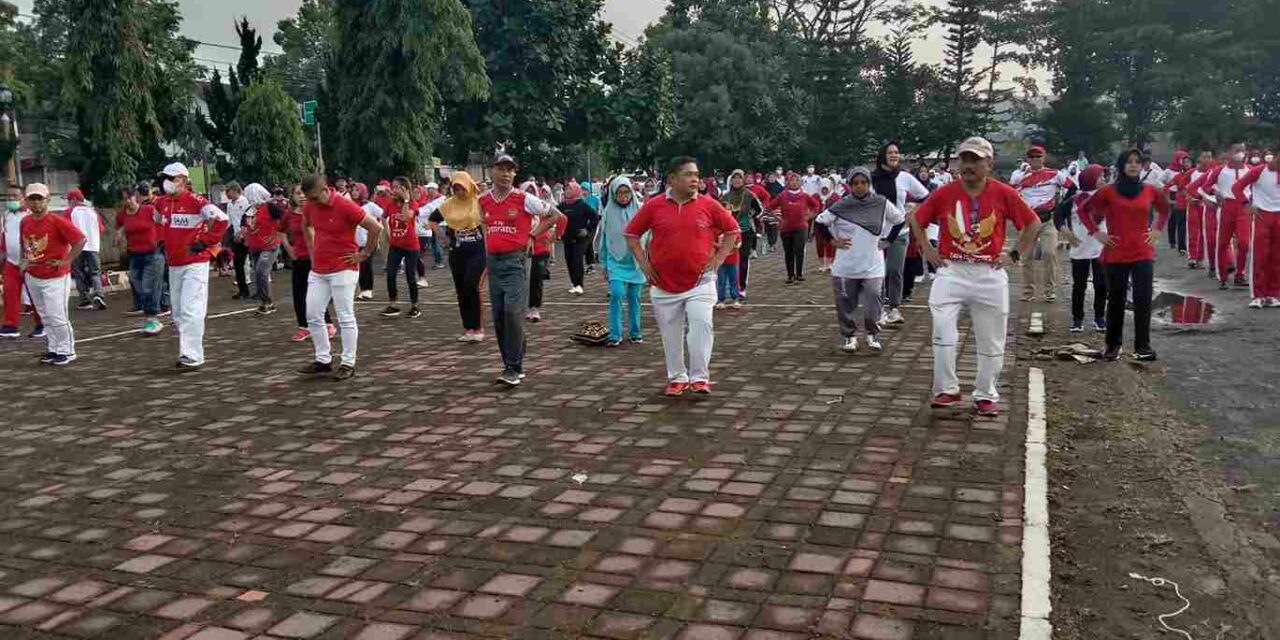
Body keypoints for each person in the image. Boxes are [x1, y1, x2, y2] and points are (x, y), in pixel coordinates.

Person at [909, 136, 1041, 417]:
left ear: (989, 163)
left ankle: (985, 395)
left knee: (991, 338)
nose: (968, 165)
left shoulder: (1004, 193)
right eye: (964, 159)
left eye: (975, 160)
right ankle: (947, 390)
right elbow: (916, 219)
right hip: (951, 271)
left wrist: (1015, 255)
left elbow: (1032, 224)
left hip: (988, 273)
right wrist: (927, 249)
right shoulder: (944, 192)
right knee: (942, 332)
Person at [626, 156, 740, 396]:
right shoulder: (654, 205)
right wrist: (644, 266)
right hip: (662, 284)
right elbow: (632, 234)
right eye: (688, 174)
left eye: (696, 174)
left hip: (701, 281)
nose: (694, 179)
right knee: (670, 333)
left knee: (702, 325)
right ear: (671, 179)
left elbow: (732, 230)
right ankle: (677, 377)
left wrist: (717, 261)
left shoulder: (709, 205)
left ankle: (700, 377)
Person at [480, 153, 564, 386]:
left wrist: (532, 234)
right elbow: (481, 224)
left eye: (510, 169)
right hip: (493, 262)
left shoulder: (523, 198)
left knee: (512, 313)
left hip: (515, 262)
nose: (506, 173)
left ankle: (513, 368)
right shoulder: (483, 200)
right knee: (498, 316)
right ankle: (512, 358)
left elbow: (555, 216)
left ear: (515, 174)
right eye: (501, 168)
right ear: (492, 171)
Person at [1079, 150, 1170, 361]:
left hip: (1143, 252)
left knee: (1143, 300)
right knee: (1116, 301)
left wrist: (1157, 229)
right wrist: (1096, 233)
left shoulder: (1150, 190)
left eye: (1137, 162)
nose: (1133, 166)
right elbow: (1084, 210)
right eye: (1129, 162)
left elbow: (1165, 209)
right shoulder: (1108, 192)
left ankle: (1143, 347)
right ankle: (1112, 346)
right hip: (1116, 253)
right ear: (1121, 166)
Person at [293, 175, 383, 379]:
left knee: (345, 316)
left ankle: (348, 363)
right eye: (309, 199)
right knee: (313, 314)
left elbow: (375, 227)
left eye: (315, 198)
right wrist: (312, 248)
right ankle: (323, 360)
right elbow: (305, 224)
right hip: (319, 269)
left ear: (326, 189)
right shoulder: (310, 205)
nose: (312, 202)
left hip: (344, 267)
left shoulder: (344, 205)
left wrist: (365, 253)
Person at [818, 167, 905, 353]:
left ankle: (872, 334)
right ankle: (849, 336)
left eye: (863, 183)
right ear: (850, 185)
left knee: (874, 298)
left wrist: (889, 240)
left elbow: (899, 220)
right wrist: (833, 241)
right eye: (855, 183)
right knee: (845, 303)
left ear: (869, 184)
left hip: (873, 263)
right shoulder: (841, 205)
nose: (859, 187)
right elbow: (820, 222)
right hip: (846, 266)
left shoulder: (881, 203)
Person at [154, 162, 230, 369]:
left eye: (170, 178)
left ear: (183, 180)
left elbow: (222, 219)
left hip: (195, 263)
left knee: (191, 309)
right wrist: (161, 240)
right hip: (175, 264)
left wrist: (205, 241)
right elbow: (157, 221)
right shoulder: (161, 202)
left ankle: (192, 354)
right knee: (177, 312)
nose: (166, 183)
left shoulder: (197, 201)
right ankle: (187, 351)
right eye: (165, 179)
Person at [18, 183, 86, 365]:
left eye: (39, 198)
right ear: (26, 201)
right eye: (32, 199)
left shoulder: (57, 221)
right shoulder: (25, 221)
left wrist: (66, 260)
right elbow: (23, 244)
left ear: (47, 199)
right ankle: (53, 348)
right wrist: (23, 260)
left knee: (57, 315)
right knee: (44, 315)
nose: (36, 203)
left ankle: (67, 350)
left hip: (56, 276)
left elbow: (80, 239)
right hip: (33, 274)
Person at [872, 142, 931, 324]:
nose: (894, 155)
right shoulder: (872, 178)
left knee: (895, 270)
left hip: (899, 232)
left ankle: (894, 308)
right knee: (878, 271)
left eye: (896, 152)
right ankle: (878, 308)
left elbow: (926, 196)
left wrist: (912, 211)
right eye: (890, 152)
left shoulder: (904, 177)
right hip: (876, 232)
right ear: (883, 155)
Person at [1010, 145, 1074, 303]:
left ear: (1043, 158)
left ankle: (1050, 291)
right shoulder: (1019, 177)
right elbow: (1010, 197)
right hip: (1029, 222)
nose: (1035, 159)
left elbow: (1073, 187)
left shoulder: (1055, 174)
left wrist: (1062, 207)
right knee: (1026, 257)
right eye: (1032, 157)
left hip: (1048, 221)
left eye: (1038, 156)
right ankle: (1027, 292)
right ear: (1027, 159)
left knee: (1049, 253)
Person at [428, 171, 487, 343]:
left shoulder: (480, 202)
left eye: (462, 188)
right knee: (461, 289)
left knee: (472, 285)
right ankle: (468, 327)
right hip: (457, 252)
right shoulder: (448, 204)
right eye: (456, 189)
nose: (460, 192)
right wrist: (444, 238)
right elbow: (432, 221)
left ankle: (478, 327)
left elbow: (489, 221)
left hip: (477, 252)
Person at [277, 185, 335, 342]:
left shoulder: (317, 211)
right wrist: (289, 249)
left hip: (317, 259)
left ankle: (327, 322)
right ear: (292, 196)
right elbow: (280, 232)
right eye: (297, 193)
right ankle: (304, 327)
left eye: (304, 192)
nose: (301, 196)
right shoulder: (289, 214)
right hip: (299, 259)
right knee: (299, 294)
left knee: (318, 294)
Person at [1057, 164, 1109, 332]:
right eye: (1100, 176)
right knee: (1079, 286)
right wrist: (1067, 233)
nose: (1103, 180)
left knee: (1101, 285)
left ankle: (1100, 318)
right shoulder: (1074, 200)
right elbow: (1058, 216)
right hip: (1080, 249)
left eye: (1103, 176)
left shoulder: (1107, 198)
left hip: (1101, 248)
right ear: (1090, 179)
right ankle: (1077, 319)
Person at [597, 175, 646, 345]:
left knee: (634, 297)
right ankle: (615, 335)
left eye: (627, 193)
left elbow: (647, 235)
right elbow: (603, 239)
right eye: (620, 193)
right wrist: (604, 263)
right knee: (616, 294)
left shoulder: (640, 209)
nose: (624, 197)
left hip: (636, 261)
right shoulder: (608, 213)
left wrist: (647, 259)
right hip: (615, 260)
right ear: (613, 194)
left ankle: (635, 332)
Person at [116, 183, 166, 335]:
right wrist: (119, 236)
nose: (129, 201)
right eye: (125, 199)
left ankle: (153, 319)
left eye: (130, 197)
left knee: (148, 287)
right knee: (138, 287)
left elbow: (163, 221)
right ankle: (154, 310)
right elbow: (120, 228)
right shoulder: (122, 215)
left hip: (152, 253)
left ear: (135, 197)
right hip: (134, 255)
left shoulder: (149, 210)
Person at [1231, 152, 1280, 308]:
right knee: (1260, 256)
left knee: (1276, 257)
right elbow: (1237, 187)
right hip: (1262, 216)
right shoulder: (1259, 171)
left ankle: (1273, 294)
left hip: (1278, 216)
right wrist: (1246, 204)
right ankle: (1258, 295)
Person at [1201, 143, 1250, 289]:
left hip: (1243, 208)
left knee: (1244, 243)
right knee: (1223, 243)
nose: (1240, 153)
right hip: (1226, 208)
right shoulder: (1219, 171)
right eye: (1236, 150)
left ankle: (1240, 274)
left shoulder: (1250, 170)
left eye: (1242, 150)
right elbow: (1205, 187)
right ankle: (1222, 277)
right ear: (1229, 152)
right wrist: (1215, 193)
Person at [1, 184, 42, 339]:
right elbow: (5, 238)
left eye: (15, 196)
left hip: (30, 261)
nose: (11, 199)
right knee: (10, 293)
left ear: (23, 198)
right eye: (8, 196)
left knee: (35, 295)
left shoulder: (32, 215)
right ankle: (10, 325)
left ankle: (41, 324)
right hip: (11, 261)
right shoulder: (7, 215)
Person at [767, 172, 821, 283]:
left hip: (801, 227)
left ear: (801, 182)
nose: (794, 182)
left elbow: (816, 206)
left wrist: (809, 216)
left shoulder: (805, 196)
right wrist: (778, 219)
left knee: (799, 250)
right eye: (792, 180)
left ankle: (799, 274)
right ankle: (790, 275)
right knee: (788, 252)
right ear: (787, 182)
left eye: (797, 180)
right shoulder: (782, 195)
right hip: (786, 228)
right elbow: (769, 207)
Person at [382, 176, 424, 319]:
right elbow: (383, 217)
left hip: (411, 246)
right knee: (391, 274)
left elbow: (406, 217)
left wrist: (406, 200)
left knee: (410, 276)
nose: (393, 190)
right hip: (395, 245)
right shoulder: (390, 204)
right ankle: (393, 304)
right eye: (392, 187)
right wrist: (387, 231)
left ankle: (415, 306)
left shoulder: (413, 203)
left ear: (404, 188)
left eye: (396, 187)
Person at [523, 180, 564, 323]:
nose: (529, 194)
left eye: (532, 191)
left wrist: (555, 237)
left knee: (536, 279)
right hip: (521, 250)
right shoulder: (518, 210)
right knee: (521, 280)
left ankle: (534, 308)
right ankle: (520, 307)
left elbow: (562, 219)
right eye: (526, 191)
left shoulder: (543, 208)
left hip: (541, 249)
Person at [241, 183, 280, 316]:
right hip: (255, 246)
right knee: (259, 273)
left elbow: (285, 219)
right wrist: (244, 236)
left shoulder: (270, 207)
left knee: (261, 271)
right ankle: (267, 302)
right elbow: (244, 225)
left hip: (270, 246)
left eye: (252, 197)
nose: (251, 200)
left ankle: (266, 302)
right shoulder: (249, 210)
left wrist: (276, 234)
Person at [722, 170, 763, 295]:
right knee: (727, 260)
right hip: (729, 233)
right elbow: (719, 213)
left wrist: (750, 215)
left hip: (745, 231)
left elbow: (759, 210)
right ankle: (727, 288)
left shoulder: (749, 195)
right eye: (734, 178)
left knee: (743, 258)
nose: (737, 181)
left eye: (739, 178)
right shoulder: (725, 197)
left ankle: (741, 288)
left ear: (743, 180)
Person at [66, 189, 106, 311]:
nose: (68, 203)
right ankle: (98, 294)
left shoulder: (70, 212)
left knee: (79, 273)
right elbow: (101, 229)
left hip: (77, 246)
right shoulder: (93, 212)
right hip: (93, 245)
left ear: (74, 199)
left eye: (68, 200)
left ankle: (84, 300)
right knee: (95, 272)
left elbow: (66, 229)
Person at [560, 180, 598, 295]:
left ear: (576, 191)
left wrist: (587, 229)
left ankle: (579, 284)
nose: (567, 191)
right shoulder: (562, 205)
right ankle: (574, 284)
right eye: (566, 189)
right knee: (569, 261)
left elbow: (595, 217)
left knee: (577, 260)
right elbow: (553, 216)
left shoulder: (582, 205)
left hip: (580, 238)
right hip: (567, 238)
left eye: (569, 189)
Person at [1185, 151, 1218, 272]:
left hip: (1206, 205)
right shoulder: (1192, 173)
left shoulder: (1214, 172)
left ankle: (1201, 258)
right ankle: (1192, 257)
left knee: (1205, 233)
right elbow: (1183, 186)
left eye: (1209, 157)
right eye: (1204, 157)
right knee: (1194, 231)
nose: (1207, 160)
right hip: (1193, 205)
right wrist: (1189, 197)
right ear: (1199, 158)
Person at [352, 183, 383, 300]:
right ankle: (362, 289)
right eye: (353, 190)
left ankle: (368, 289)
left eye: (357, 190)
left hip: (368, 241)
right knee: (358, 266)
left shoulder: (370, 206)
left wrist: (380, 230)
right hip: (355, 242)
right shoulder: (350, 205)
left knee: (366, 265)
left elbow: (383, 214)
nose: (354, 192)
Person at [223, 181, 253, 300]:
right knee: (237, 264)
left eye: (228, 191)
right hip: (235, 236)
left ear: (235, 190)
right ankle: (243, 290)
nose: (226, 194)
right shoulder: (230, 205)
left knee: (241, 263)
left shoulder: (245, 202)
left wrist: (241, 233)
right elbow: (229, 221)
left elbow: (247, 220)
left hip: (244, 236)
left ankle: (245, 290)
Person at [1161, 151, 1191, 255]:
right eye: (1184, 161)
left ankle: (1191, 247)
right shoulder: (1177, 175)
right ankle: (1180, 246)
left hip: (1193, 203)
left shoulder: (1195, 174)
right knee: (1180, 224)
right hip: (1180, 202)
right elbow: (1165, 186)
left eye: (1188, 161)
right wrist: (1169, 200)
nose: (1186, 164)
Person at [813, 179, 839, 273]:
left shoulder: (835, 196)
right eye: (823, 188)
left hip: (831, 224)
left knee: (830, 243)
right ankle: (822, 264)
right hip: (819, 224)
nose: (824, 190)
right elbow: (812, 208)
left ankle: (830, 263)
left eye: (826, 188)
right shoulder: (816, 196)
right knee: (819, 244)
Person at [421, 182, 445, 271]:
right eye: (427, 189)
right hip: (434, 224)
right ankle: (438, 261)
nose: (427, 191)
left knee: (437, 243)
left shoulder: (440, 199)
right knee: (434, 243)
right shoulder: (430, 199)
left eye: (429, 189)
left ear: (434, 189)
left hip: (440, 224)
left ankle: (439, 262)